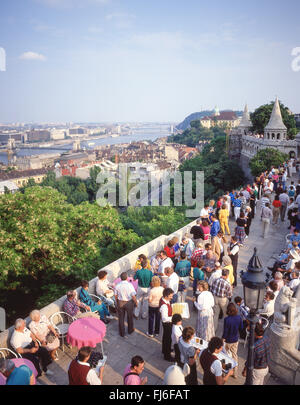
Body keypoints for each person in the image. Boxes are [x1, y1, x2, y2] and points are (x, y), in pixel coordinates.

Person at [222, 303, 243, 379]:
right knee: (234, 356)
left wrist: (222, 340)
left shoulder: (226, 319)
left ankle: (224, 372)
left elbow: (225, 332)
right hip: (235, 340)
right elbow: (241, 328)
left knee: (224, 356)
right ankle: (235, 373)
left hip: (227, 340)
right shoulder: (239, 318)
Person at [114, 272, 138, 338]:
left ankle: (122, 333)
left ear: (121, 278)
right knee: (130, 317)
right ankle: (130, 330)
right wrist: (136, 302)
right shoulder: (130, 285)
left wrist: (117, 302)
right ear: (127, 278)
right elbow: (133, 295)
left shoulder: (117, 285)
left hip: (120, 302)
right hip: (129, 302)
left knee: (121, 318)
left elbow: (115, 295)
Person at [159, 288, 174, 361]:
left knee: (166, 336)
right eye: (171, 296)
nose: (172, 297)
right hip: (167, 323)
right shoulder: (164, 306)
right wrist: (173, 318)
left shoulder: (165, 300)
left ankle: (164, 350)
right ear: (166, 296)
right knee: (168, 338)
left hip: (167, 323)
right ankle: (167, 355)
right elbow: (165, 318)